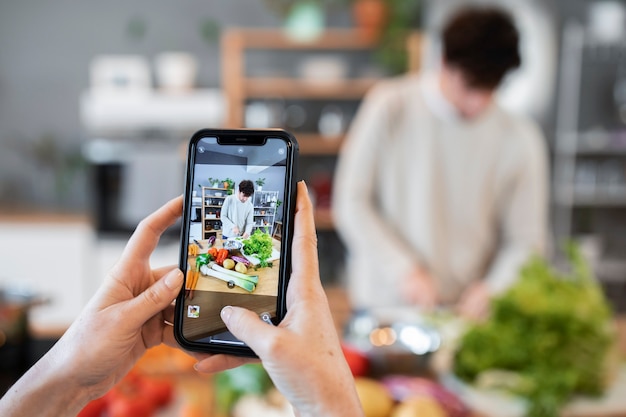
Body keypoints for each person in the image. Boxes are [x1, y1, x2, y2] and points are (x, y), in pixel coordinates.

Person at [0, 181, 364, 417]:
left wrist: (70, 379)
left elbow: (248, 223)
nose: (243, 200)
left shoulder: (250, 206)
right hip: (227, 240)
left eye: (245, 198)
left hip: (240, 244)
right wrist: (330, 407)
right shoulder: (226, 206)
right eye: (241, 196)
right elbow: (225, 222)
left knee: (239, 259)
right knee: (220, 259)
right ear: (238, 194)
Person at [333, 6, 549, 320]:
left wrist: (494, 287)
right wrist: (405, 270)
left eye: (489, 90)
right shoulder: (389, 107)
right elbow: (351, 203)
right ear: (443, 61)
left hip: (467, 318)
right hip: (383, 310)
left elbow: (526, 241)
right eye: (469, 87)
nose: (477, 103)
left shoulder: (520, 138)